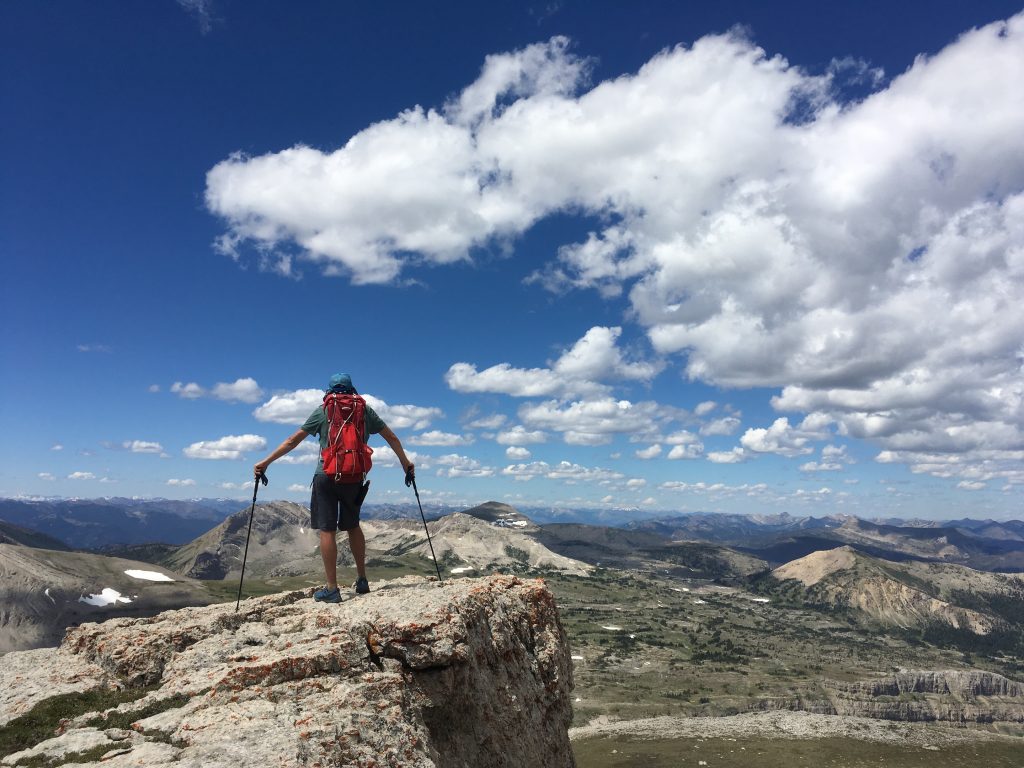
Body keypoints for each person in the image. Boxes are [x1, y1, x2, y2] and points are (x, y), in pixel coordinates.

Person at [253, 373, 414, 602]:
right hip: (354, 477)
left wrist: (265, 462)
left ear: (329, 391)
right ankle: (362, 580)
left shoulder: (323, 410)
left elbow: (292, 440)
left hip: (326, 476)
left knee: (327, 530)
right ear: (352, 390)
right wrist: (405, 465)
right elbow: (393, 438)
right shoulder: (364, 411)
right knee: (353, 526)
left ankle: (332, 589)